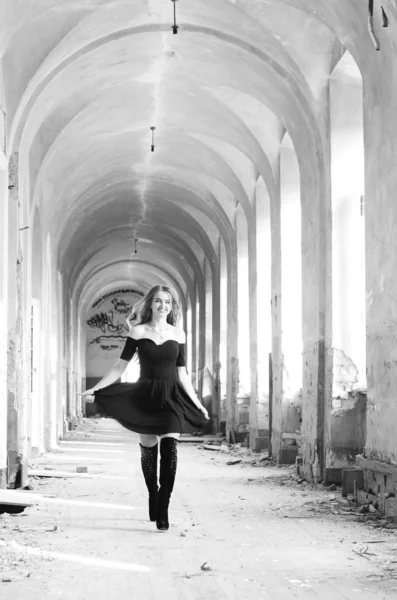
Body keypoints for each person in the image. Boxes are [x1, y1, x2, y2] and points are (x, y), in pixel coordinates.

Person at [81, 285, 209, 532]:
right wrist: (95, 388)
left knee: (170, 452)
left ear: (172, 307)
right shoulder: (138, 332)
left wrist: (197, 402)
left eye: (168, 302)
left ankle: (163, 507)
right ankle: (152, 492)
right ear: (150, 304)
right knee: (148, 452)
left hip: (172, 398)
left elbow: (182, 375)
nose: (163, 306)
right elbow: (120, 366)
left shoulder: (179, 334)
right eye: (159, 301)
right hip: (145, 397)